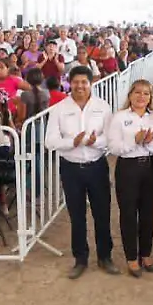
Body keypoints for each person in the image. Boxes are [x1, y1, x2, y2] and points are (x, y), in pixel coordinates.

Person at [45, 65, 117, 278]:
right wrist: (71, 142)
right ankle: (80, 259)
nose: (80, 86)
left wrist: (96, 142)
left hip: (96, 166)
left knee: (102, 213)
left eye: (84, 82)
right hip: (71, 169)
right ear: (70, 83)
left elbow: (111, 138)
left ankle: (105, 257)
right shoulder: (59, 108)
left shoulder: (103, 107)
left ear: (90, 83)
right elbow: (50, 140)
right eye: (75, 82)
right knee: (77, 216)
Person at [107, 79, 153, 278]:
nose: (141, 97)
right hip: (127, 168)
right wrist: (133, 140)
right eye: (137, 92)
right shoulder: (119, 117)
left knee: (148, 213)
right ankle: (131, 258)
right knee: (128, 213)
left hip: (150, 167)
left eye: (146, 93)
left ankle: (145, 254)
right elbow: (114, 147)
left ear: (150, 97)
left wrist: (148, 143)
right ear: (130, 95)